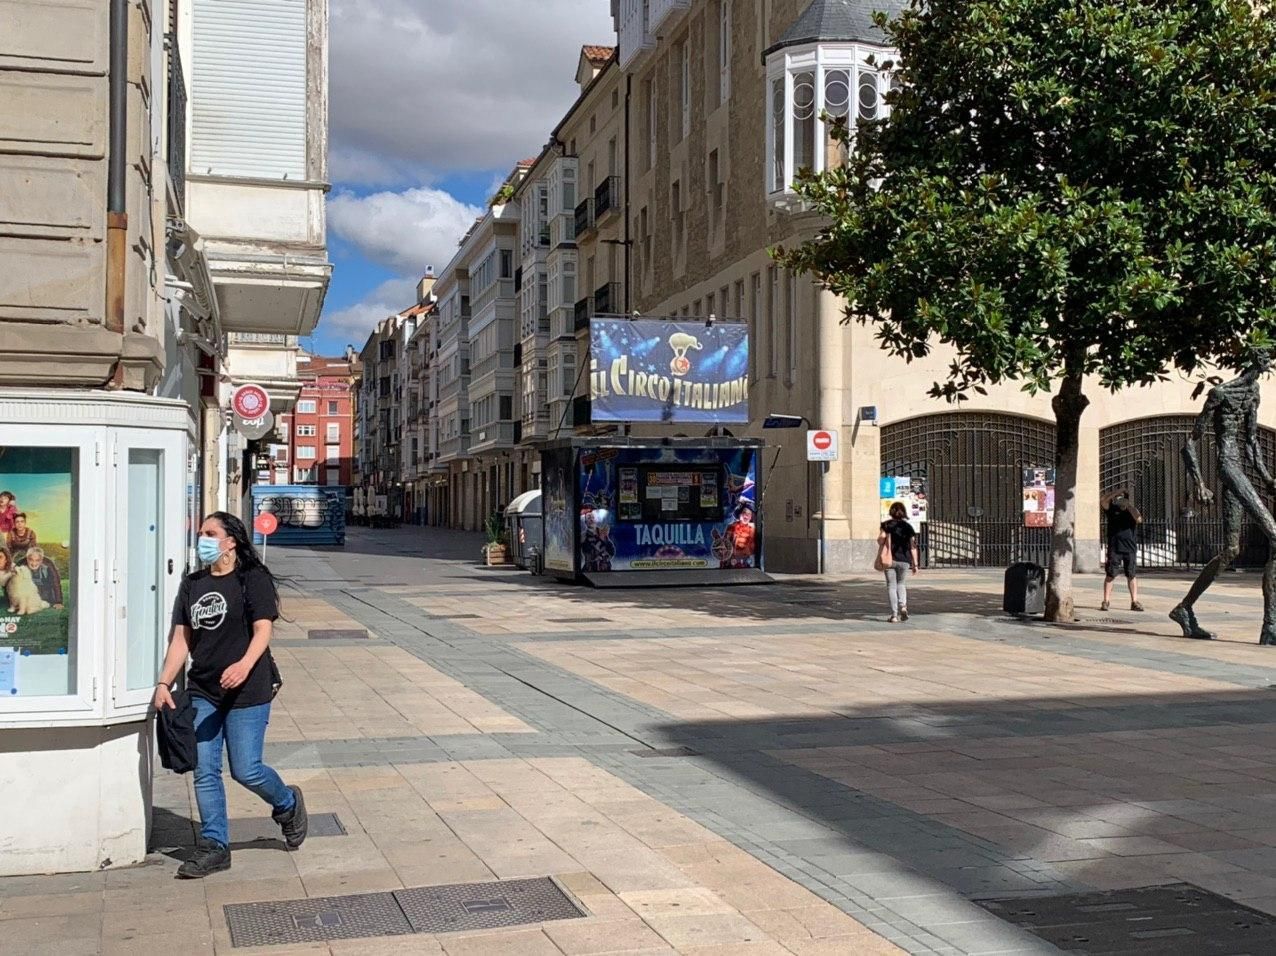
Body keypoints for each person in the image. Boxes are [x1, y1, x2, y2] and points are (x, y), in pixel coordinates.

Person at [153, 511, 307, 879]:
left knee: (246, 769)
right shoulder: (193, 583)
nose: (202, 538)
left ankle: (287, 803)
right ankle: (214, 846)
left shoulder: (251, 579)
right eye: (200, 532)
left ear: (230, 542)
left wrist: (244, 665)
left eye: (210, 533)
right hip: (203, 689)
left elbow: (262, 630)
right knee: (205, 770)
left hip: (247, 689)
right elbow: (181, 639)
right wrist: (164, 682)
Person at [1102, 489, 1144, 611]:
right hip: (1115, 547)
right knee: (1110, 574)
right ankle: (1106, 601)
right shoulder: (1112, 510)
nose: (1120, 500)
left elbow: (1139, 519)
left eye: (1123, 497)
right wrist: (1116, 492)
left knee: (1131, 574)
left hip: (1129, 548)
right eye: (1118, 498)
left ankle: (1134, 601)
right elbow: (1103, 500)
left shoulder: (1131, 511)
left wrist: (1128, 505)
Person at [879, 501, 921, 622]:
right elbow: (913, 546)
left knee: (891, 586)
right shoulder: (908, 527)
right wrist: (915, 564)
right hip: (905, 560)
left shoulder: (886, 525)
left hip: (889, 559)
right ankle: (903, 605)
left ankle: (894, 615)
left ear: (891, 512)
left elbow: (881, 539)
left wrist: (885, 538)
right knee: (901, 584)